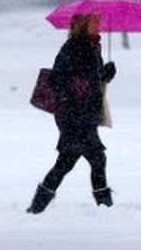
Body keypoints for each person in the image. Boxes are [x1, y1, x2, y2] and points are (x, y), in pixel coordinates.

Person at [27, 13, 117, 213]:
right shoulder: (72, 48)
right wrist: (72, 105)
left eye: (99, 23)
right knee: (97, 158)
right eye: (95, 23)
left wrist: (106, 74)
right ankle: (105, 206)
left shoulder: (94, 46)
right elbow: (58, 80)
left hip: (86, 115)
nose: (98, 26)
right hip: (74, 116)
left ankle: (36, 207)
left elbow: (91, 79)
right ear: (83, 25)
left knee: (66, 162)